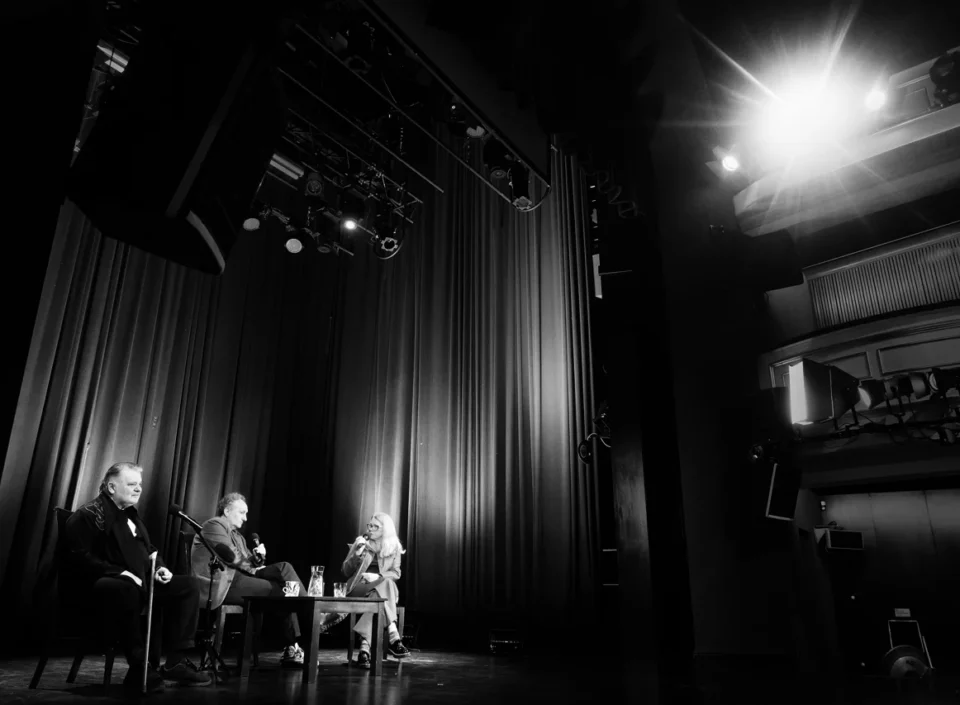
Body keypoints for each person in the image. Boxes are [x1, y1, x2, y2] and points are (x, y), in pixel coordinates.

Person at [65, 462, 211, 693]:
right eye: (132, 484)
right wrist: (120, 573)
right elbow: (79, 558)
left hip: (140, 580)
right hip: (102, 585)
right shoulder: (89, 514)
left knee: (187, 586)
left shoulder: (131, 515)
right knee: (125, 588)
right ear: (111, 487)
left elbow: (149, 549)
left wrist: (159, 567)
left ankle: (175, 662)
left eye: (139, 484)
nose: (138, 489)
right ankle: (140, 666)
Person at [196, 493, 306, 666]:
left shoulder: (238, 536)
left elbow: (247, 560)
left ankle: (295, 640)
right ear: (227, 511)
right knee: (285, 586)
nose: (245, 518)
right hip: (223, 585)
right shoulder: (214, 525)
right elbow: (232, 557)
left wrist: (257, 559)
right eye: (242, 512)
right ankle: (309, 617)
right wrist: (255, 568)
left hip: (240, 580)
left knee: (286, 579)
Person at [340, 512, 410, 668]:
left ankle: (364, 649)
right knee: (386, 588)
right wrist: (356, 554)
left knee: (381, 591)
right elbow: (345, 571)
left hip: (379, 590)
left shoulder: (394, 547)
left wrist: (378, 576)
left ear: (385, 529)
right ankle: (394, 637)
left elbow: (396, 573)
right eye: (369, 525)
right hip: (359, 586)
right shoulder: (361, 543)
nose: (370, 529)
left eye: (375, 526)